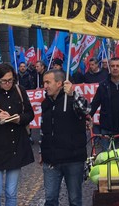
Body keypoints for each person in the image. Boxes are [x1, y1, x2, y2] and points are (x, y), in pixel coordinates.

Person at [0, 63, 34, 206]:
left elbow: (30, 114)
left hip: (15, 147)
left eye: (10, 80)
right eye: (4, 81)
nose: (8, 84)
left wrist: (19, 119)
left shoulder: (20, 90)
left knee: (11, 193)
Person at [40, 69, 89, 206]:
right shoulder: (46, 103)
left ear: (59, 83)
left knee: (74, 200)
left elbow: (86, 110)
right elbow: (45, 129)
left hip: (73, 160)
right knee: (50, 199)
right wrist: (41, 152)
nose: (45, 86)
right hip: (51, 160)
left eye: (48, 82)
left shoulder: (72, 99)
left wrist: (73, 94)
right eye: (44, 82)